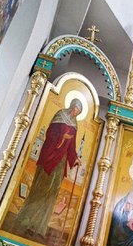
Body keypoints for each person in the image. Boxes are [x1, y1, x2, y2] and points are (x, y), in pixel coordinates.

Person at [14, 100, 83, 238]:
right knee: (41, 190)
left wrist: (75, 158)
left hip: (60, 162)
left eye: (79, 112)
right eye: (77, 110)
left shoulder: (74, 125)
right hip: (49, 158)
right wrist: (62, 137)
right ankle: (27, 221)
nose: (77, 113)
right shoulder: (60, 115)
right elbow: (50, 134)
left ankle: (39, 227)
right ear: (73, 107)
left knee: (52, 193)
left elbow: (72, 146)